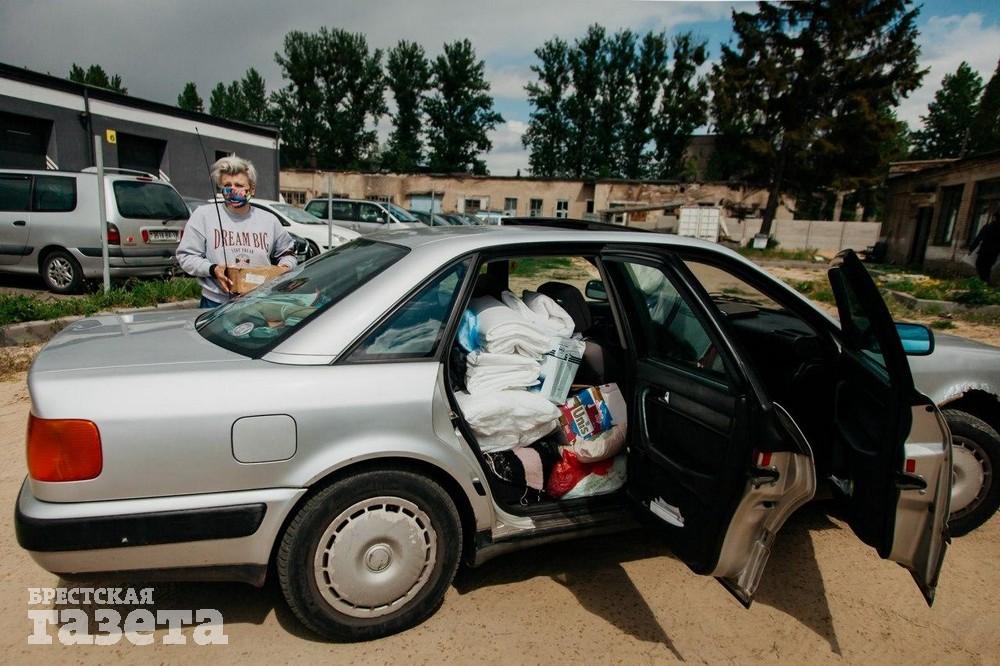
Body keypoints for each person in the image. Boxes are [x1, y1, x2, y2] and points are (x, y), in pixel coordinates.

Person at [177, 156, 297, 307]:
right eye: (227, 185)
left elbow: (288, 254)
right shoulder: (203, 215)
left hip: (258, 302)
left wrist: (282, 269)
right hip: (215, 303)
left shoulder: (269, 220)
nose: (232, 190)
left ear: (252, 189)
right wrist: (212, 269)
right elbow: (186, 256)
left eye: (239, 185)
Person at [969, 211, 1000, 286]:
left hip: (984, 251)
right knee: (987, 267)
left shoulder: (988, 227)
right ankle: (986, 282)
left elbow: (978, 238)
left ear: (995, 218)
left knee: (979, 265)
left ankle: (985, 281)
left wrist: (971, 249)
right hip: (994, 253)